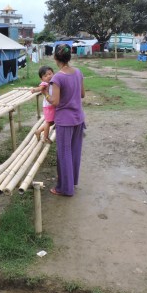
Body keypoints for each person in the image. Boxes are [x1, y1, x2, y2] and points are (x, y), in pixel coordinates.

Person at [44, 44, 85, 197]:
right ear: (69, 57)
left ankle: (65, 188)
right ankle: (71, 182)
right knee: (74, 152)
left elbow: (54, 102)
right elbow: (82, 94)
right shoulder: (78, 72)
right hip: (78, 119)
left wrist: (45, 94)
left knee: (64, 153)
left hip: (64, 121)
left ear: (55, 58)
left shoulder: (58, 77)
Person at [30, 66, 55, 143]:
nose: (48, 76)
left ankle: (38, 131)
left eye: (50, 74)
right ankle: (45, 137)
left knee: (52, 122)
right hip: (48, 106)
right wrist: (35, 90)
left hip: (52, 105)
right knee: (48, 122)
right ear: (42, 79)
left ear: (53, 73)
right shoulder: (45, 84)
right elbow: (40, 88)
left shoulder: (54, 82)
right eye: (45, 76)